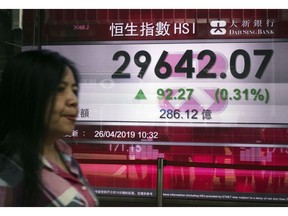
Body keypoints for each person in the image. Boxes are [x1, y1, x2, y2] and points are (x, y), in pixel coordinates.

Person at [0, 49, 99, 207]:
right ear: (27, 94)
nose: (73, 100)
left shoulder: (64, 154)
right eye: (60, 89)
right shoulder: (8, 173)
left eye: (74, 91)